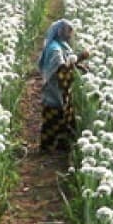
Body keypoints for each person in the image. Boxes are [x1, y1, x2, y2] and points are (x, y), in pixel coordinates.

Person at [38, 19, 90, 151]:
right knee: (54, 115)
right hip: (55, 88)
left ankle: (62, 145)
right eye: (69, 30)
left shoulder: (62, 45)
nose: (71, 34)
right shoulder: (55, 49)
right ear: (60, 32)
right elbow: (61, 70)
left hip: (60, 88)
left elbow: (67, 62)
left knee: (63, 114)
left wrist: (78, 65)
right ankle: (49, 147)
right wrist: (80, 57)